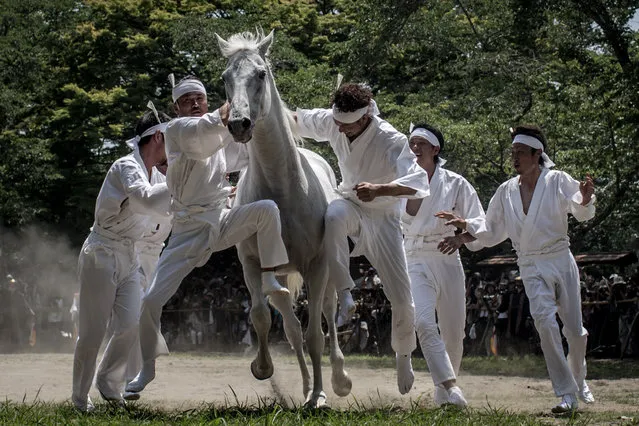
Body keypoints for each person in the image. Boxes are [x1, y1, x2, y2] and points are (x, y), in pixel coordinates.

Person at [125, 75, 290, 396]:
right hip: (187, 231)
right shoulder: (177, 131)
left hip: (222, 220)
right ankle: (147, 368)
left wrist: (275, 125)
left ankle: (270, 277)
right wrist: (238, 101)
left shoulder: (218, 138)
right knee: (150, 302)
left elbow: (247, 152)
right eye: (188, 101)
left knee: (267, 210)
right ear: (176, 107)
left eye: (199, 98)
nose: (196, 103)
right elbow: (204, 135)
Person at [437, 124, 596, 413]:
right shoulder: (506, 191)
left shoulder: (557, 180)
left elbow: (580, 209)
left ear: (537, 155)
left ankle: (579, 377)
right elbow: (491, 228)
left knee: (574, 331)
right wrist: (464, 229)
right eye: (513, 153)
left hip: (560, 258)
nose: (515, 157)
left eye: (521, 152)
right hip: (530, 263)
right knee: (545, 323)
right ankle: (566, 393)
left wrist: (584, 199)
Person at [295, 83, 429, 394]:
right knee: (332, 216)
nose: (339, 129)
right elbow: (296, 119)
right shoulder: (334, 121)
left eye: (347, 124)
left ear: (366, 116)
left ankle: (404, 354)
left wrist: (381, 189)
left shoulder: (391, 139)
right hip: (352, 204)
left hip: (383, 218)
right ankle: (346, 295)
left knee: (403, 299)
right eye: (337, 122)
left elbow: (418, 181)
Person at [71, 108, 172, 412]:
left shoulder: (155, 173)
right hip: (101, 252)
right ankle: (79, 397)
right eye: (172, 139)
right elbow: (145, 198)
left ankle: (108, 383)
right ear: (158, 137)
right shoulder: (125, 166)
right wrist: (181, 179)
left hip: (130, 254)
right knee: (92, 332)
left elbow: (167, 209)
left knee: (130, 324)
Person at [401, 123, 485, 407]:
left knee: (453, 331)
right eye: (411, 143)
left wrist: (461, 236)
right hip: (413, 256)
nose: (414, 148)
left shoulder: (456, 183)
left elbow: (480, 224)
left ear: (435, 149)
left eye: (421, 143)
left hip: (447, 257)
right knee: (423, 321)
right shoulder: (399, 182)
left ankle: (444, 392)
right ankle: (450, 387)